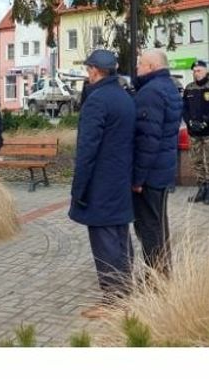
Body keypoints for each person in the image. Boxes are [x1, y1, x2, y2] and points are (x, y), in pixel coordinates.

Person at [70, 49, 136, 318]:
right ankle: (126, 293)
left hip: (100, 183)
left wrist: (79, 189)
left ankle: (114, 301)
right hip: (120, 179)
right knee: (121, 238)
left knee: (105, 242)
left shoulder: (97, 101)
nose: (88, 74)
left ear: (95, 70)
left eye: (88, 70)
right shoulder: (124, 97)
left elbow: (87, 150)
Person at [131, 49, 182, 274]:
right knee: (160, 224)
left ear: (151, 67)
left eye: (140, 64)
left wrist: (138, 178)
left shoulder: (150, 93)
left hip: (150, 174)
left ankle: (156, 278)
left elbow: (147, 141)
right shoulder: (169, 87)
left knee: (149, 227)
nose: (137, 68)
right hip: (163, 170)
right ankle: (163, 272)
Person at [183, 60, 209, 204]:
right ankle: (201, 188)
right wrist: (190, 122)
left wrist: (206, 122)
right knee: (196, 161)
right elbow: (184, 108)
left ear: (206, 71)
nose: (196, 73)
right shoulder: (189, 88)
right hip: (194, 132)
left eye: (198, 70)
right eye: (194, 71)